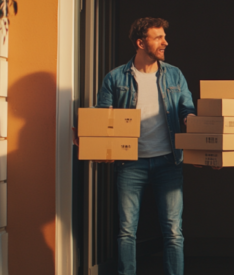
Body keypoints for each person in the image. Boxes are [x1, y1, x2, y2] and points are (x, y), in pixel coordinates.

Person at [93, 17, 196, 275]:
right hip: (131, 164)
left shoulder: (174, 74)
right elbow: (101, 120)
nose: (165, 42)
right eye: (158, 37)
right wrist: (101, 149)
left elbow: (187, 109)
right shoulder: (115, 78)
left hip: (168, 161)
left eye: (164, 36)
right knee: (127, 231)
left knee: (173, 231)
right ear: (141, 42)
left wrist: (195, 125)